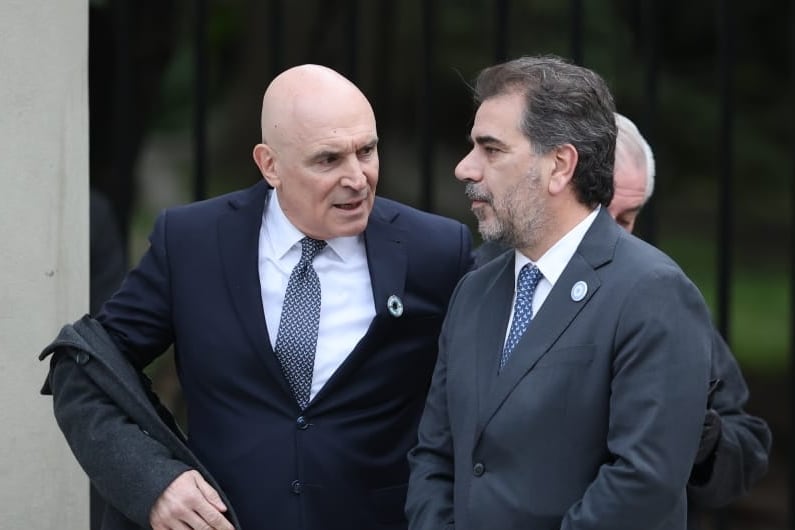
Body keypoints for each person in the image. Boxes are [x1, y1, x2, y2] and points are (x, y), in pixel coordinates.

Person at [42, 64, 473, 530]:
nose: (358, 178)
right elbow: (83, 371)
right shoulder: (192, 243)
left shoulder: (437, 251)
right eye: (328, 160)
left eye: (366, 151)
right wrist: (151, 483)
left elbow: (490, 391)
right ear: (270, 164)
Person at [405, 55, 717, 530]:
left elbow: (642, 484)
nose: (465, 168)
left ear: (560, 166)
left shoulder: (652, 292)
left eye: (491, 149)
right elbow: (435, 457)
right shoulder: (474, 291)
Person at [473, 112, 772, 528]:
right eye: (595, 214)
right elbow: (435, 446)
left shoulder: (656, 294)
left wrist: (693, 430)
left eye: (626, 219)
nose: (608, 236)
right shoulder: (478, 283)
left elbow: (746, 447)